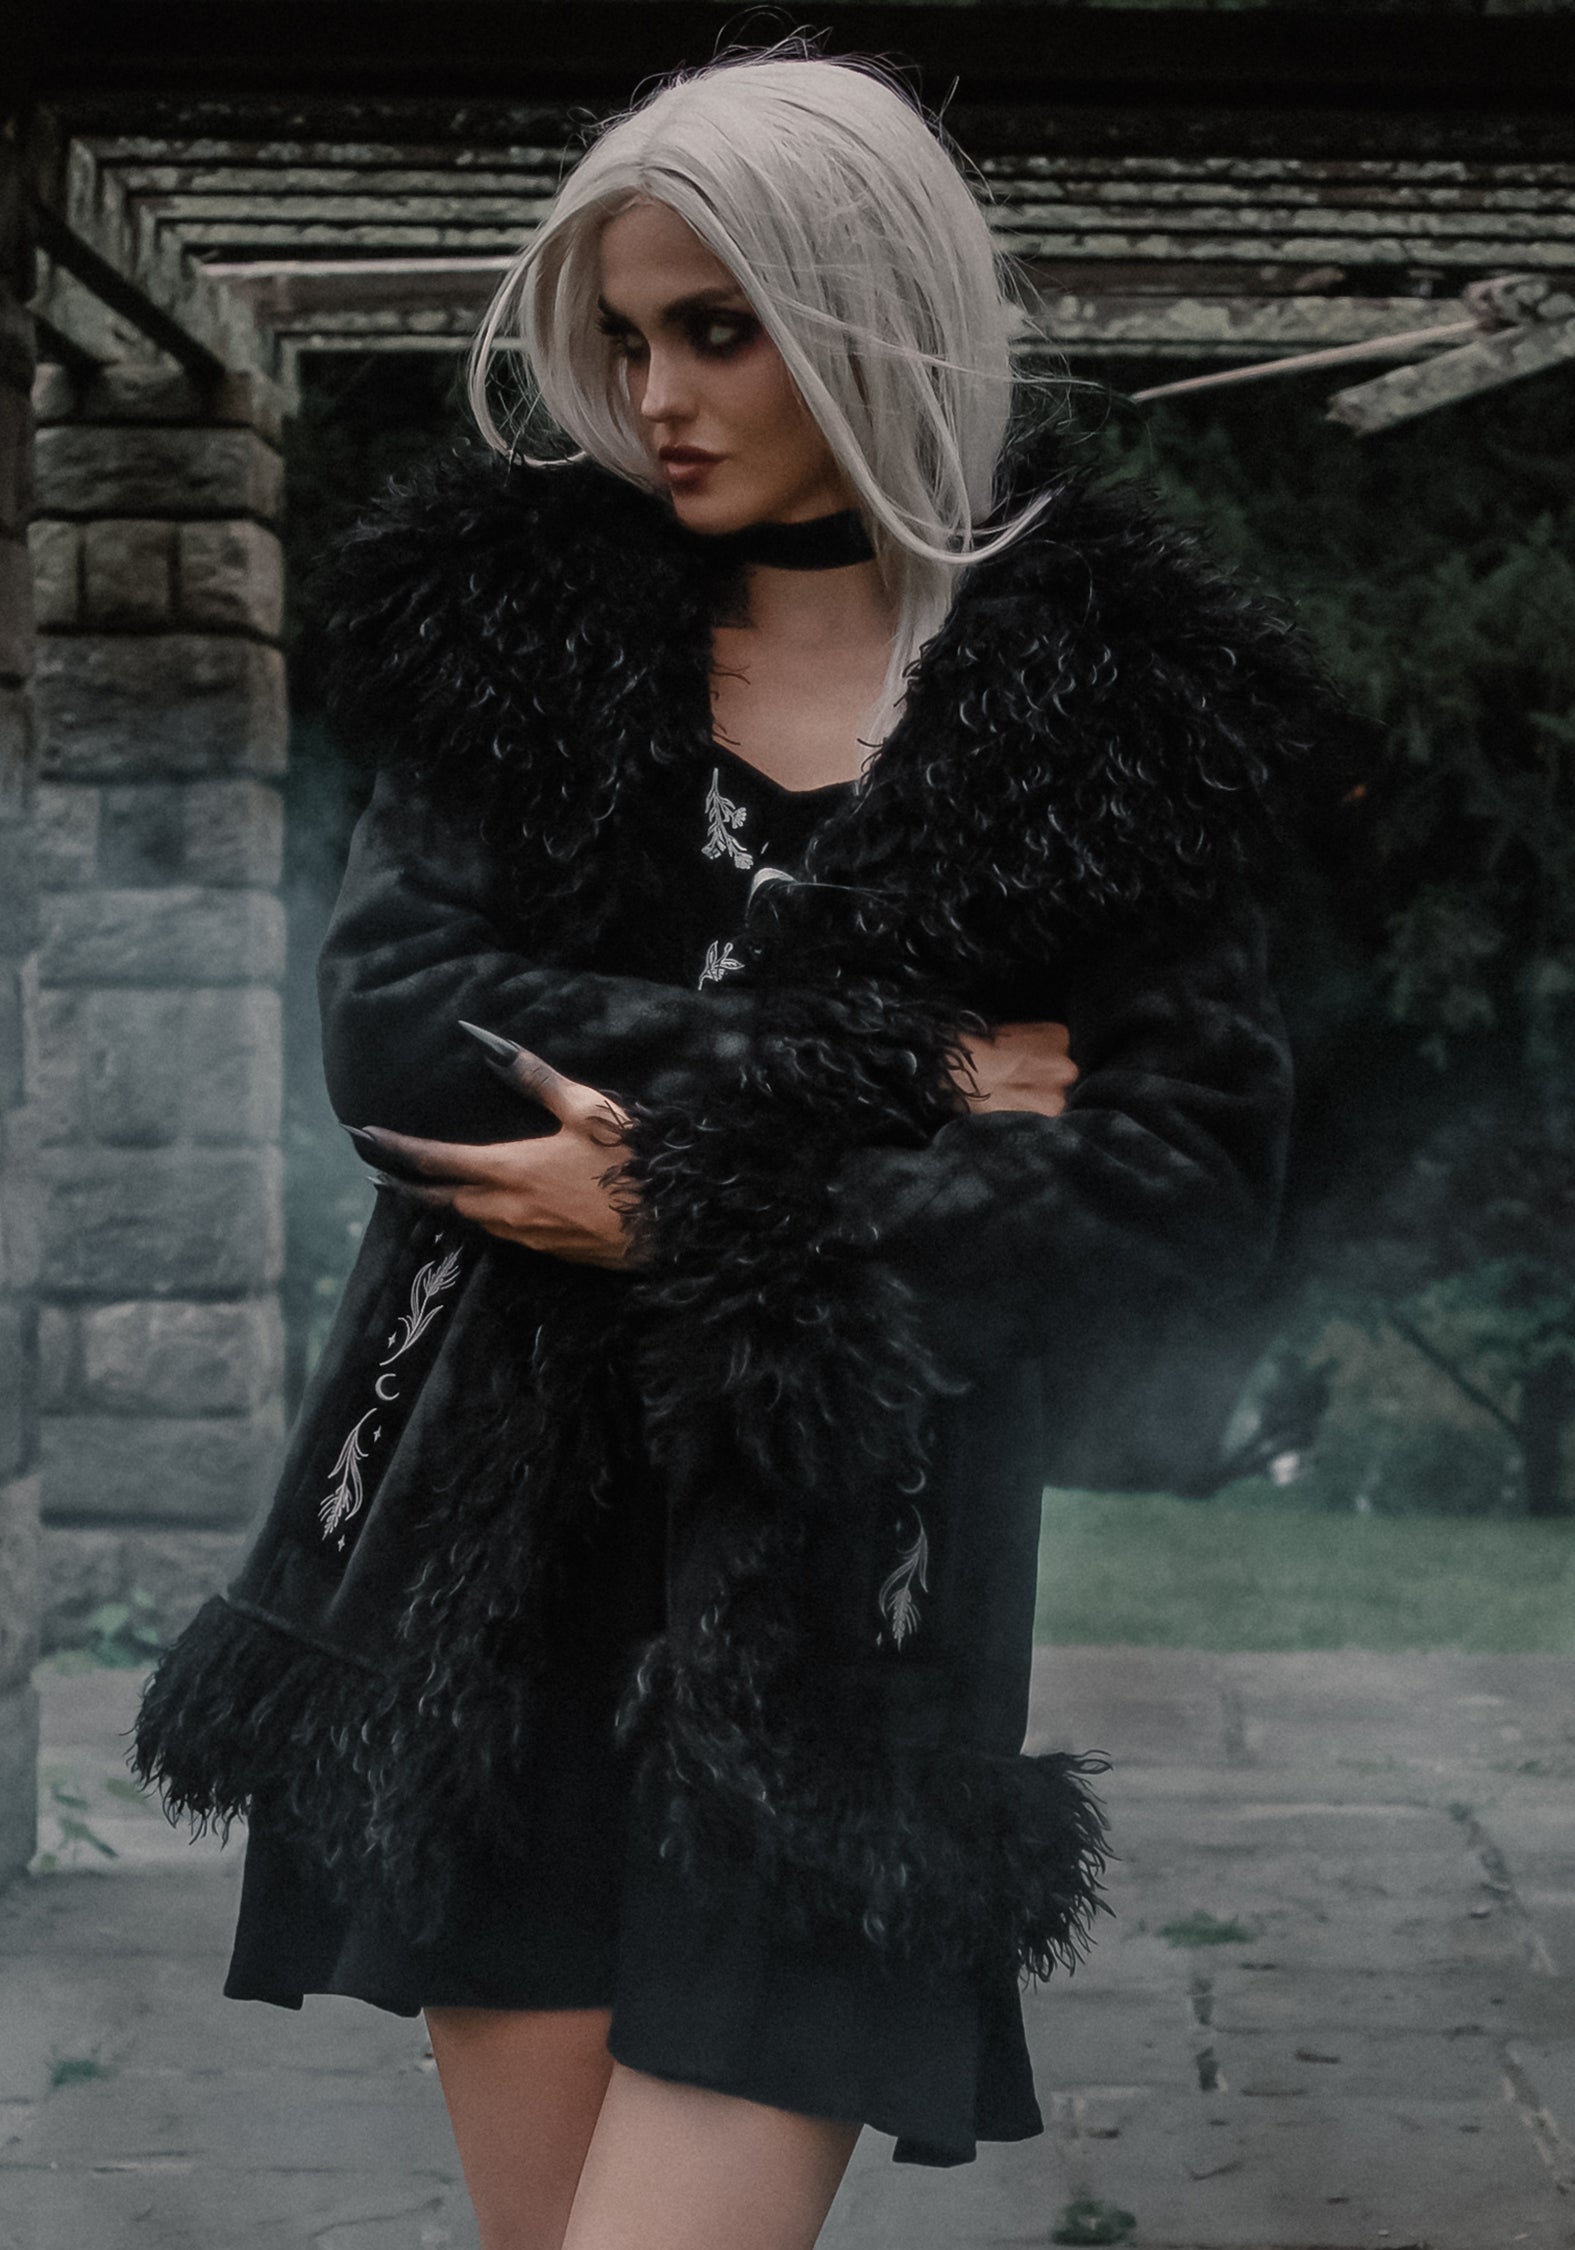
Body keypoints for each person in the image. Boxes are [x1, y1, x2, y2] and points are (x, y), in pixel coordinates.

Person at [133, 42, 1358, 2250]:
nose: (658, 396)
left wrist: (694, 1205)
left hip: (843, 1617)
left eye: (717, 329)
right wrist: (916, 1070)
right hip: (485, 1578)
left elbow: (1176, 1189)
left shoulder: (1108, 712)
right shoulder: (524, 635)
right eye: (627, 338)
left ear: (871, 318)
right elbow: (404, 1026)